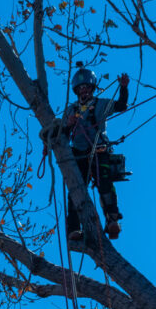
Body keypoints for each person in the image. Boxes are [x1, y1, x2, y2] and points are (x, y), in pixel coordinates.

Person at [62, 64, 130, 240]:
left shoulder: (101, 104)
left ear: (92, 88)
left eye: (87, 88)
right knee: (76, 189)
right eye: (80, 88)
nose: (84, 91)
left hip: (99, 150)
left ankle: (112, 220)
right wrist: (68, 124)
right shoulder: (71, 110)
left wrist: (123, 88)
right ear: (76, 91)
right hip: (79, 153)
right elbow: (61, 135)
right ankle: (74, 228)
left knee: (104, 183)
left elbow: (121, 106)